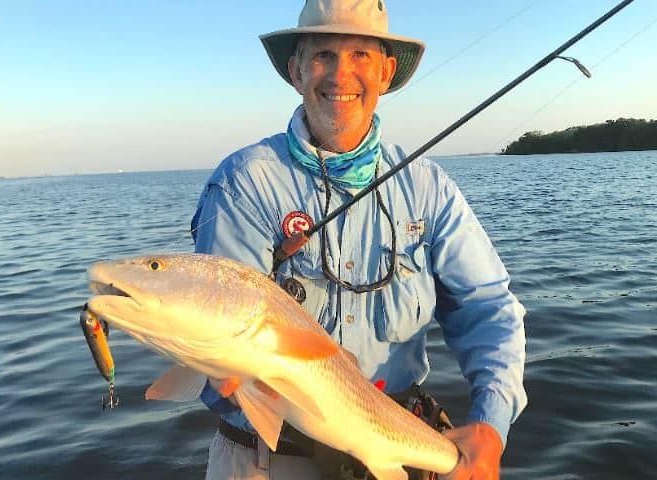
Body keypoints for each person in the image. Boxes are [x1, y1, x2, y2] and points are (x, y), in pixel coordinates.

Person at [191, 1, 527, 478]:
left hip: (396, 448)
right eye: (324, 54)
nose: (340, 75)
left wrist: (491, 426)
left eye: (361, 57)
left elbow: (489, 307)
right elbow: (217, 323)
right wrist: (215, 363)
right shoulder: (244, 183)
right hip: (267, 458)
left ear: (386, 72)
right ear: (296, 70)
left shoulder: (427, 187)